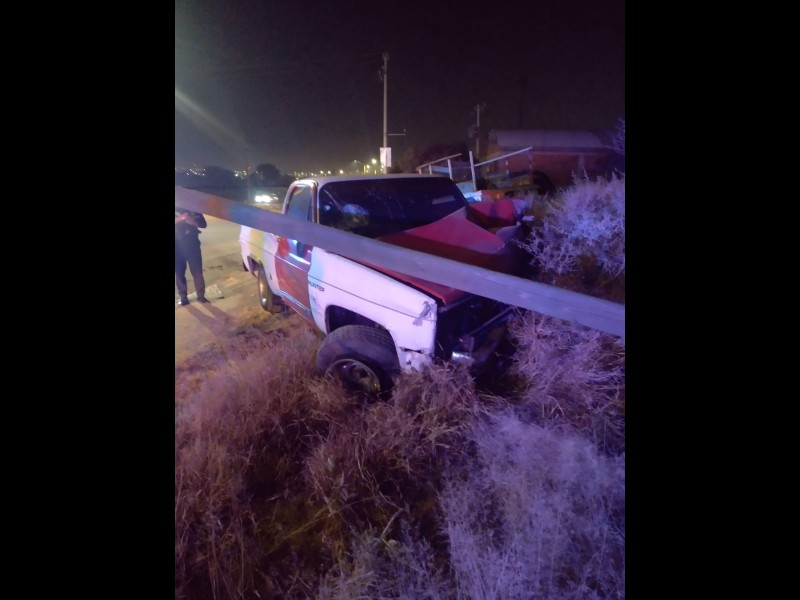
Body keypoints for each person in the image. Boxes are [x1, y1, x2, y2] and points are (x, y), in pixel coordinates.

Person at [175, 209, 209, 305]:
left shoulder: (195, 209)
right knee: (179, 274)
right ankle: (183, 298)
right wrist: (181, 218)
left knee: (197, 273)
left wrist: (192, 221)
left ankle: (201, 296)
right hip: (177, 249)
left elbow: (203, 224)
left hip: (193, 247)